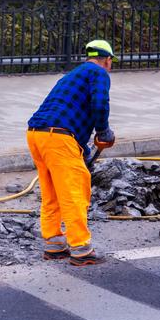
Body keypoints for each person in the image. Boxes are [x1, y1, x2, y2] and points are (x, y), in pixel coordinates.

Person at [26, 39, 116, 266]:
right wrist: (103, 130)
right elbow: (99, 103)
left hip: (36, 133)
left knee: (52, 190)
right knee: (74, 191)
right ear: (107, 60)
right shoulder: (99, 73)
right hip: (59, 137)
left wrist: (83, 149)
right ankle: (80, 248)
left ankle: (54, 243)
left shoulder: (71, 76)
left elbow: (68, 110)